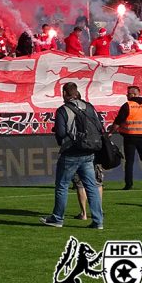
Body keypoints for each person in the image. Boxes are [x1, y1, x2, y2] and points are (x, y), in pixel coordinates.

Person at [41, 82, 104, 229]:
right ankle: (98, 221)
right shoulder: (89, 106)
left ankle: (57, 218)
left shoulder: (63, 110)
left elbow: (62, 133)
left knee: (62, 186)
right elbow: (100, 126)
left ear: (64, 93)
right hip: (89, 151)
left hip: (71, 152)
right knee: (92, 186)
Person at [108, 85, 142, 190]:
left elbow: (118, 122)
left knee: (129, 161)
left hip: (130, 137)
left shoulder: (127, 105)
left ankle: (129, 184)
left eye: (128, 93)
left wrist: (111, 132)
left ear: (134, 94)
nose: (127, 95)